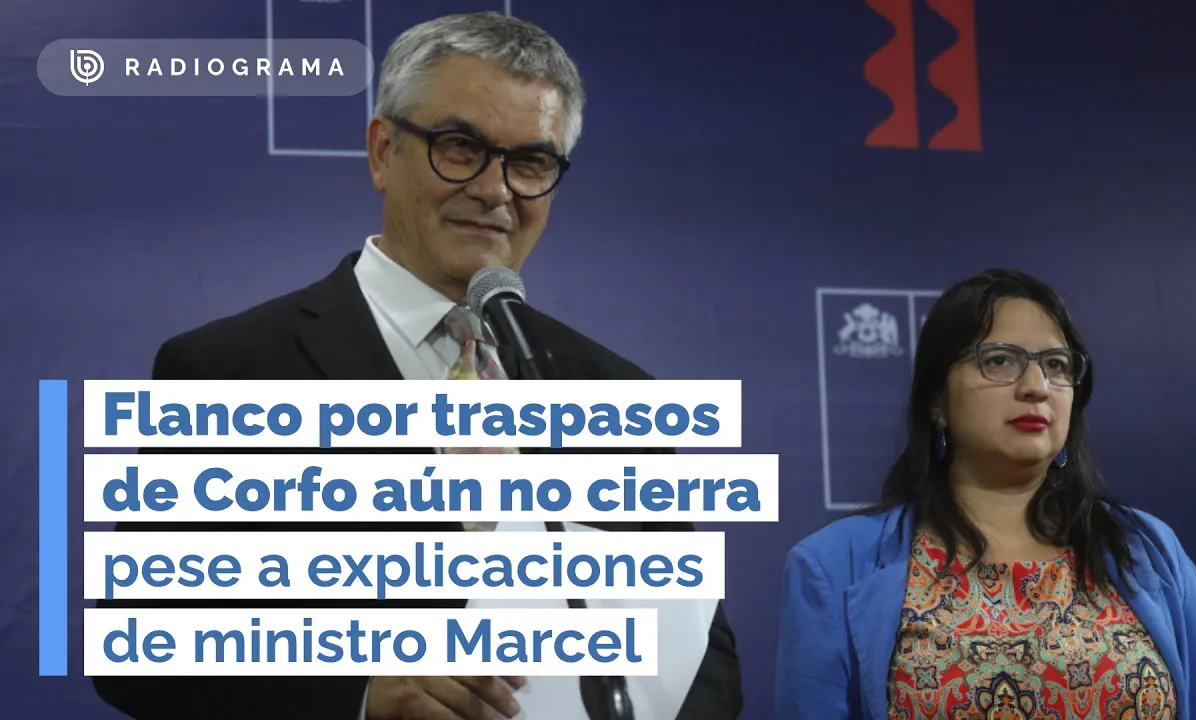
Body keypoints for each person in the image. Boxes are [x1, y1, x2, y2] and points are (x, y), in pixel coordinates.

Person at [91, 12, 743, 720]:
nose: (496, 190)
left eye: (530, 162)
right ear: (383, 151)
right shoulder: (233, 371)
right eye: (461, 147)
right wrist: (359, 695)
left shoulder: (615, 395)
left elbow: (708, 669)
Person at [775, 269, 1196, 719]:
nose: (1037, 387)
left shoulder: (1148, 549)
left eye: (1056, 365)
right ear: (937, 400)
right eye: (1000, 360)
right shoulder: (833, 568)